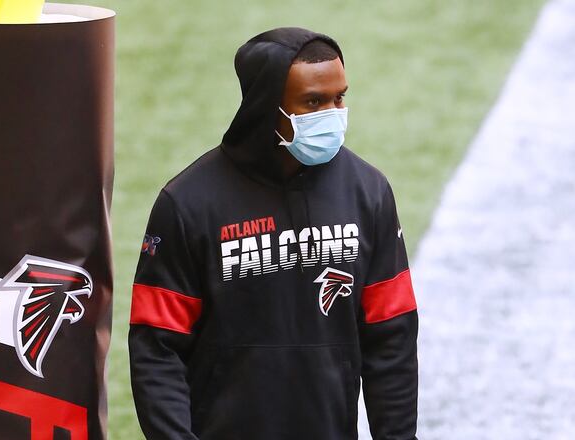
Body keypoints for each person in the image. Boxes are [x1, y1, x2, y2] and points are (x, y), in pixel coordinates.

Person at [128, 27, 419, 440]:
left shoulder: (368, 192)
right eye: (313, 102)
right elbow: (157, 349)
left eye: (339, 98)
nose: (333, 115)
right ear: (267, 107)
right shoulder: (188, 203)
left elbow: (391, 337)